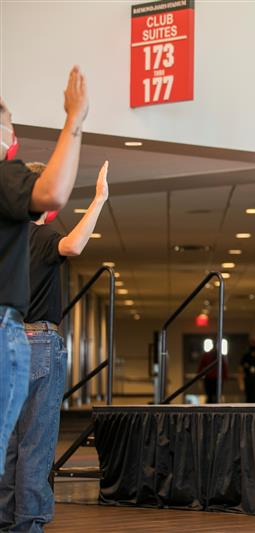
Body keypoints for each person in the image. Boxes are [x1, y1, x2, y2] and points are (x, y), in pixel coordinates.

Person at [0, 160, 109, 533]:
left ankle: (4, 517)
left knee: (8, 439)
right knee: (36, 439)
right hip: (38, 341)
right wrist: (99, 199)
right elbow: (74, 245)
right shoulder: (42, 236)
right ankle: (28, 522)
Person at [0, 66, 89, 475]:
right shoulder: (5, 177)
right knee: (29, 446)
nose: (12, 133)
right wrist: (74, 119)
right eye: (7, 123)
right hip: (14, 329)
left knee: (12, 448)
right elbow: (53, 192)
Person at [239, 339, 255, 403]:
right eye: (252, 344)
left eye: (254, 344)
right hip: (247, 378)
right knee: (248, 395)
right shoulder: (246, 356)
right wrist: (241, 382)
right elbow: (241, 368)